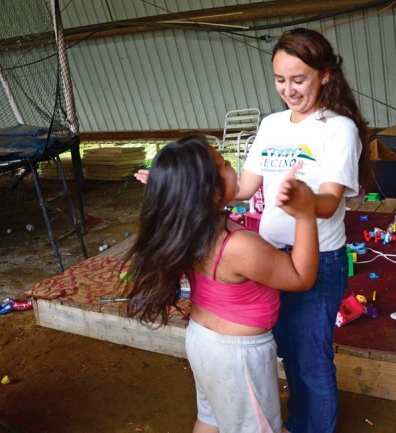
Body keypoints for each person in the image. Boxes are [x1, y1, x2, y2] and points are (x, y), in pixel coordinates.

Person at [123, 135, 320, 433]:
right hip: (237, 355)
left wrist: (173, 188)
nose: (231, 166)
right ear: (210, 193)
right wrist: (306, 214)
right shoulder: (239, 246)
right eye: (225, 164)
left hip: (202, 340)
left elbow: (212, 195)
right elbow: (301, 277)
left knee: (211, 418)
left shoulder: (184, 224)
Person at [236, 28, 370, 433]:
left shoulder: (338, 129)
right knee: (289, 352)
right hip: (272, 257)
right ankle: (301, 423)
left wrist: (305, 204)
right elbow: (243, 187)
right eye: (280, 80)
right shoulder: (272, 125)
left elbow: (329, 204)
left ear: (324, 74)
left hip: (320, 260)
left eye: (299, 80)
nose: (288, 90)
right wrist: (183, 183)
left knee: (312, 359)